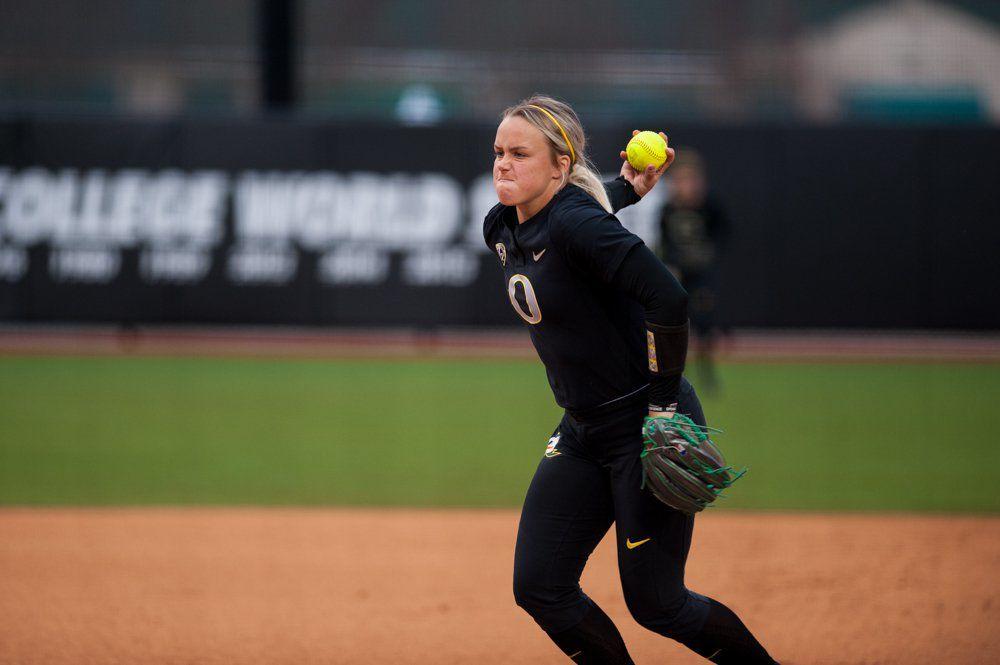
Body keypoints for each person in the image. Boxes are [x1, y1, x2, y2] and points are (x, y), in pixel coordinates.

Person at [484, 95, 777, 664]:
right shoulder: (502, 225)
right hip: (583, 431)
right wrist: (626, 190)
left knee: (657, 603)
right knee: (540, 586)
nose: (503, 163)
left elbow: (666, 296)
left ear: (560, 166)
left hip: (646, 423)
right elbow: (573, 221)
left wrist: (663, 406)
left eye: (520, 153)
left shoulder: (574, 221)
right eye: (498, 152)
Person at [657, 150, 730, 392]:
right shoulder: (668, 210)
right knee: (677, 324)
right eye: (680, 180)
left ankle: (706, 372)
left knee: (704, 323)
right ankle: (677, 373)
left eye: (690, 179)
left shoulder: (709, 206)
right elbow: (665, 243)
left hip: (701, 275)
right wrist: (672, 265)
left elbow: (723, 234)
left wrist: (708, 255)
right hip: (679, 275)